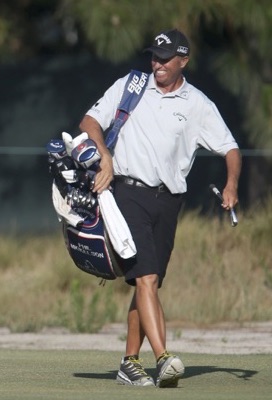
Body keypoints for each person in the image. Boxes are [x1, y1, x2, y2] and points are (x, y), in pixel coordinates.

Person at [79, 28, 241, 387]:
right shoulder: (132, 85)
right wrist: (104, 154)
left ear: (183, 61)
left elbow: (230, 147)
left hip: (169, 202)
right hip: (127, 193)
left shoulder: (197, 103)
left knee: (147, 284)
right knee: (147, 277)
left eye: (165, 58)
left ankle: (129, 362)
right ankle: (163, 357)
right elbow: (89, 122)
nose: (158, 64)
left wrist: (231, 185)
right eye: (154, 56)